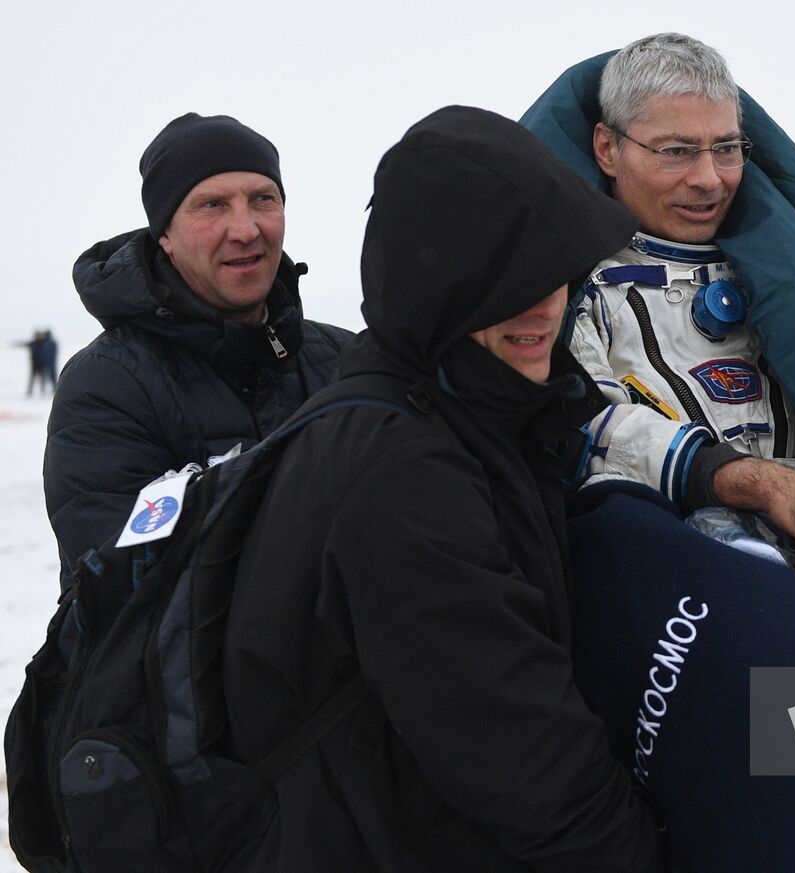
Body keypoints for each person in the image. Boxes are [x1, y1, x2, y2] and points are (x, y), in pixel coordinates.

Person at [222, 106, 662, 871]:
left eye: (554, 267)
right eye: (504, 283)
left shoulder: (472, 407)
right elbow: (531, 770)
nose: (545, 304)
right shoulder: (402, 473)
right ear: (438, 287)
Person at [570, 33, 795, 599]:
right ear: (607, 149)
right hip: (669, 586)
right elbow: (583, 429)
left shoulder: (793, 274)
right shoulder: (575, 287)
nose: (710, 178)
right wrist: (772, 491)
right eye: (676, 151)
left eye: (726, 148)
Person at [43, 113, 351, 579]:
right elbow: (129, 591)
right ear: (164, 234)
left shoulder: (345, 362)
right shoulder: (106, 386)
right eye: (211, 205)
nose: (245, 229)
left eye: (262, 199)